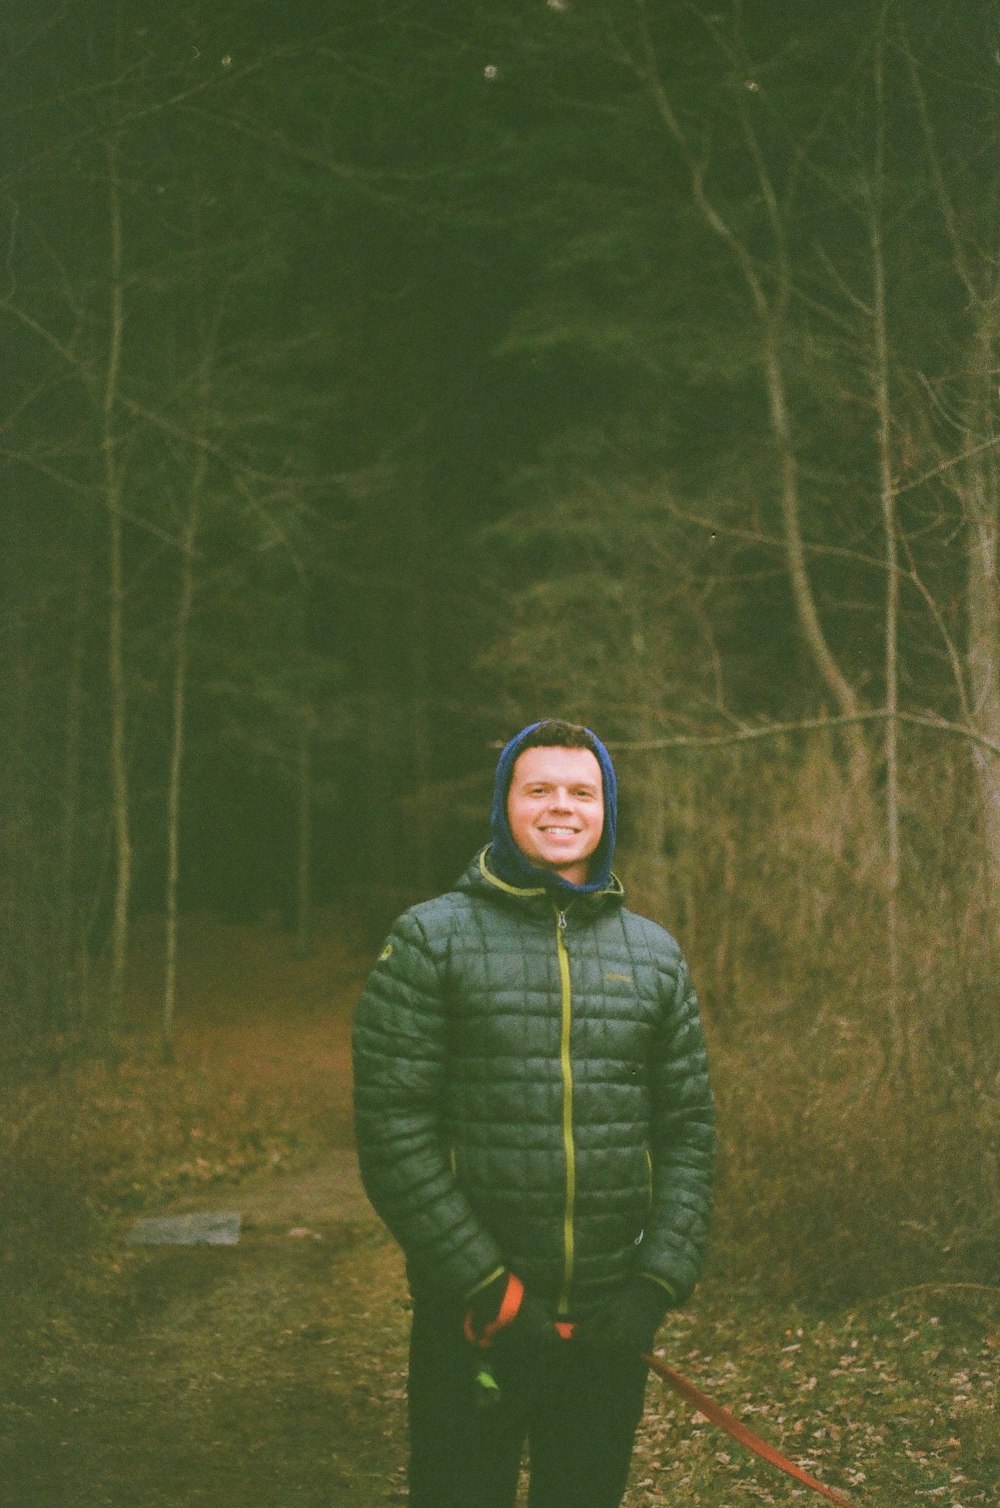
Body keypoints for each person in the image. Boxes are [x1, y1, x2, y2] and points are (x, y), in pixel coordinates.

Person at [352, 719, 715, 1508]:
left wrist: (653, 1288)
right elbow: (392, 1131)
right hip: (474, 1326)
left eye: (581, 791)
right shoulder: (429, 940)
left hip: (605, 1332)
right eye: (538, 788)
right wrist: (488, 1287)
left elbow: (688, 1132)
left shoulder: (654, 955)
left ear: (606, 811)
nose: (561, 806)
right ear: (505, 805)